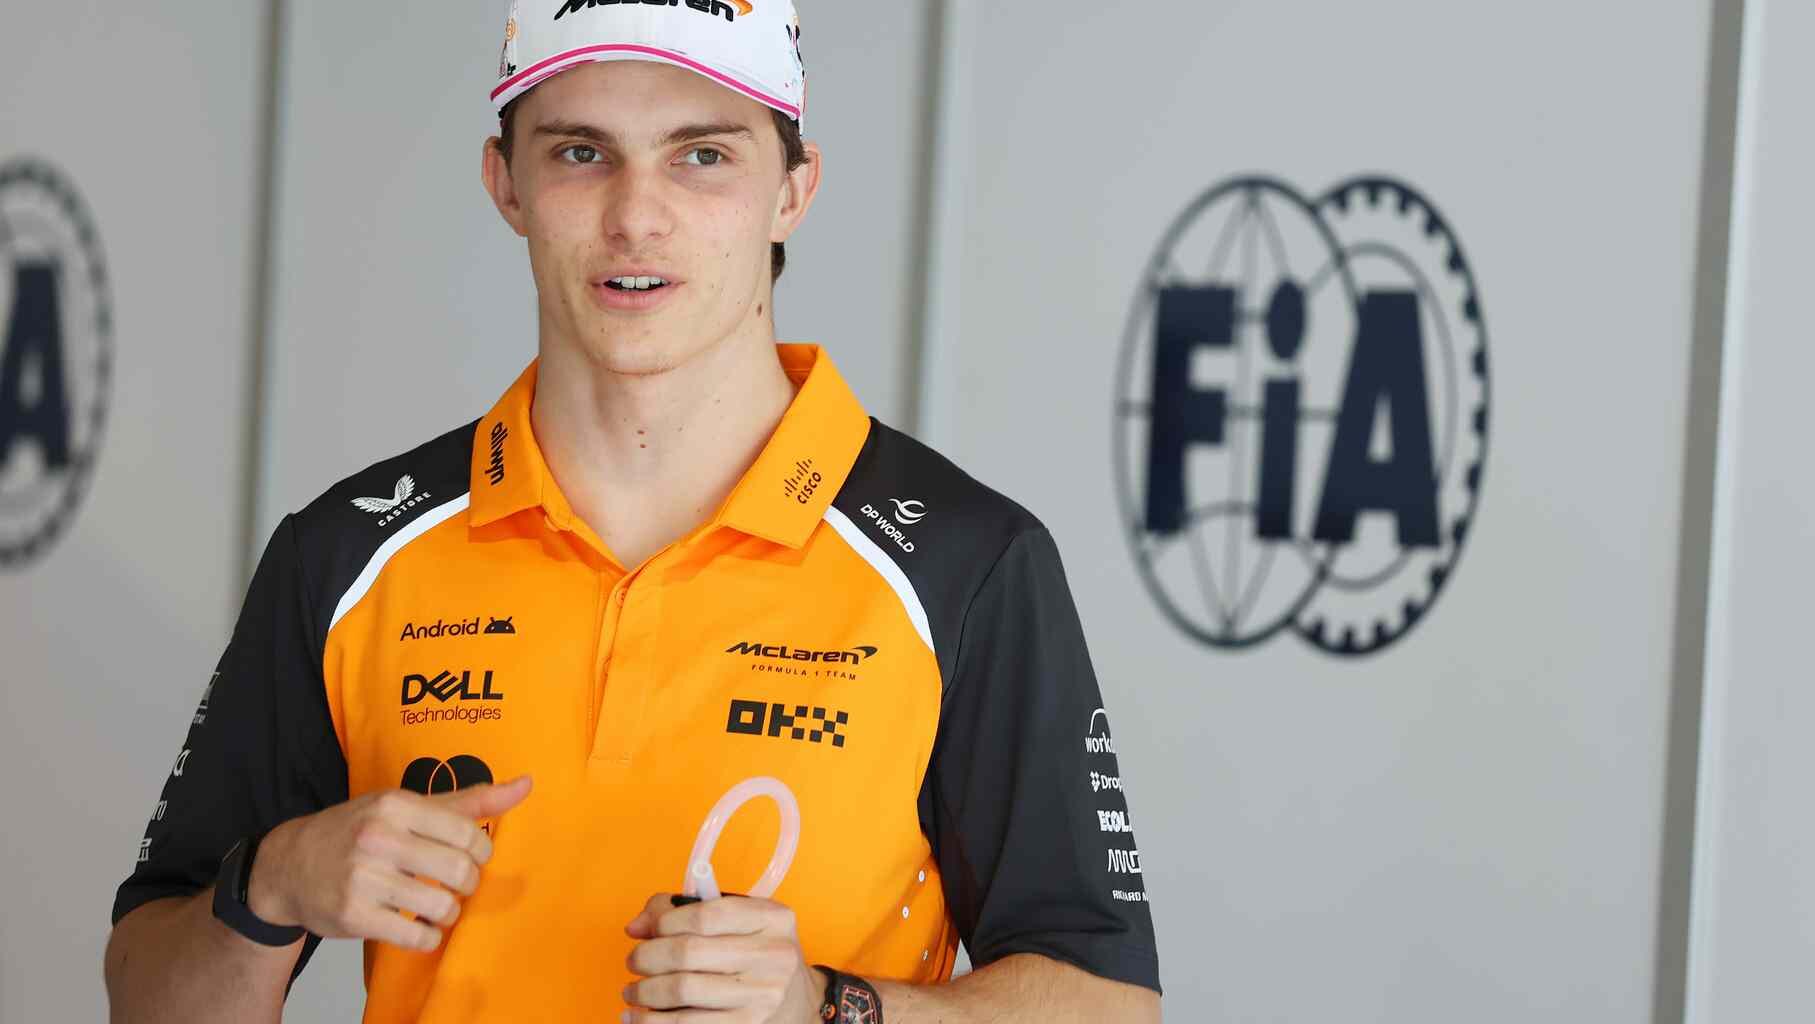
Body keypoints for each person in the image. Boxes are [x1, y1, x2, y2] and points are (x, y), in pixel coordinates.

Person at [103, 3, 1159, 1021]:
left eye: (702, 156)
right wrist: (271, 884)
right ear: (505, 184)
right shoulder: (349, 554)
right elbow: (147, 998)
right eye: (580, 153)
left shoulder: (965, 565)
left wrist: (827, 1009)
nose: (635, 217)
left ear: (792, 192)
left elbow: (1108, 1004)